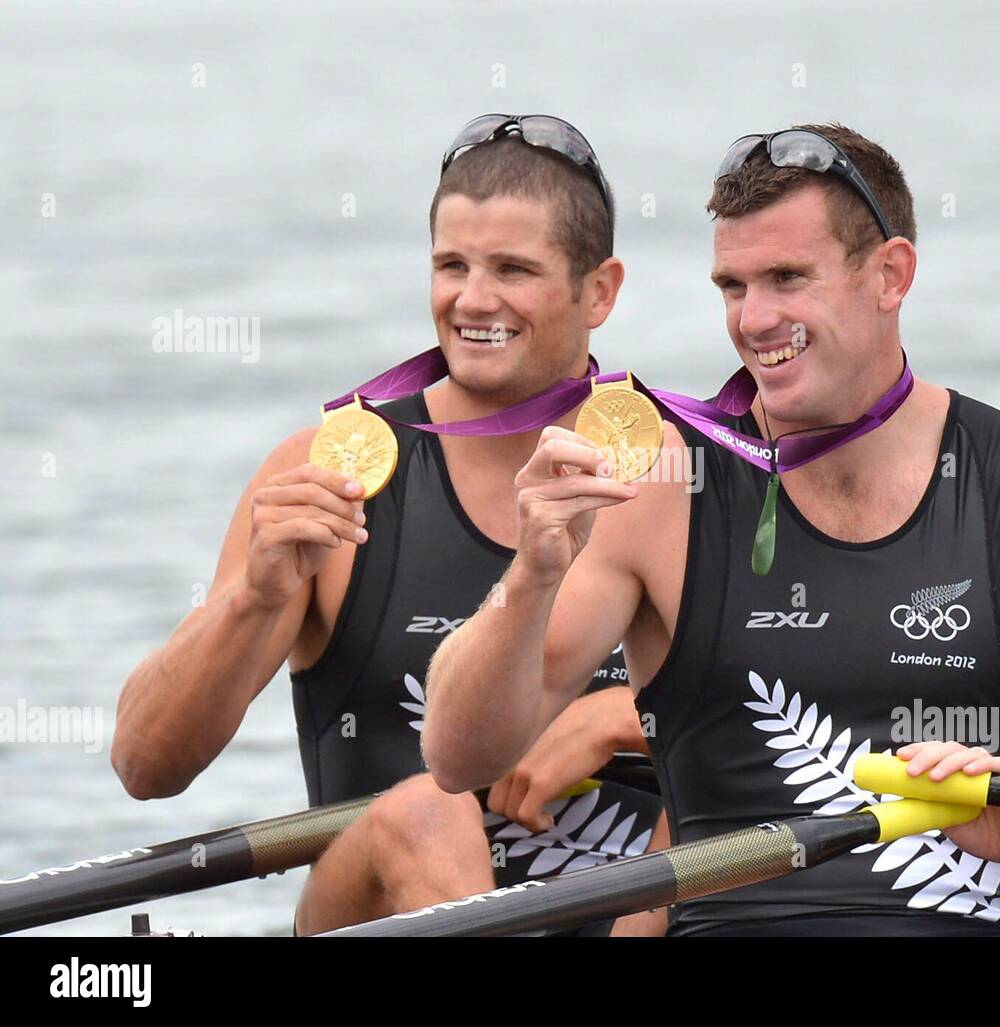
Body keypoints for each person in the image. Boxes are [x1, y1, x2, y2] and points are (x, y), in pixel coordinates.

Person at [424, 123, 1000, 937]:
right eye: (732, 286)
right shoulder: (658, 485)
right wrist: (529, 580)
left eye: (787, 279)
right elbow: (460, 756)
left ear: (890, 275)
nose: (754, 319)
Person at [111, 114, 661, 935]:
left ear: (600, 291)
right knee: (424, 812)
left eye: (512, 268)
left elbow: (827, 702)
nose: (473, 300)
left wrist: (625, 716)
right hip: (379, 899)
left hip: (634, 916)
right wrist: (255, 599)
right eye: (451, 265)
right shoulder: (332, 473)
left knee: (716, 800)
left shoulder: (674, 471)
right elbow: (146, 765)